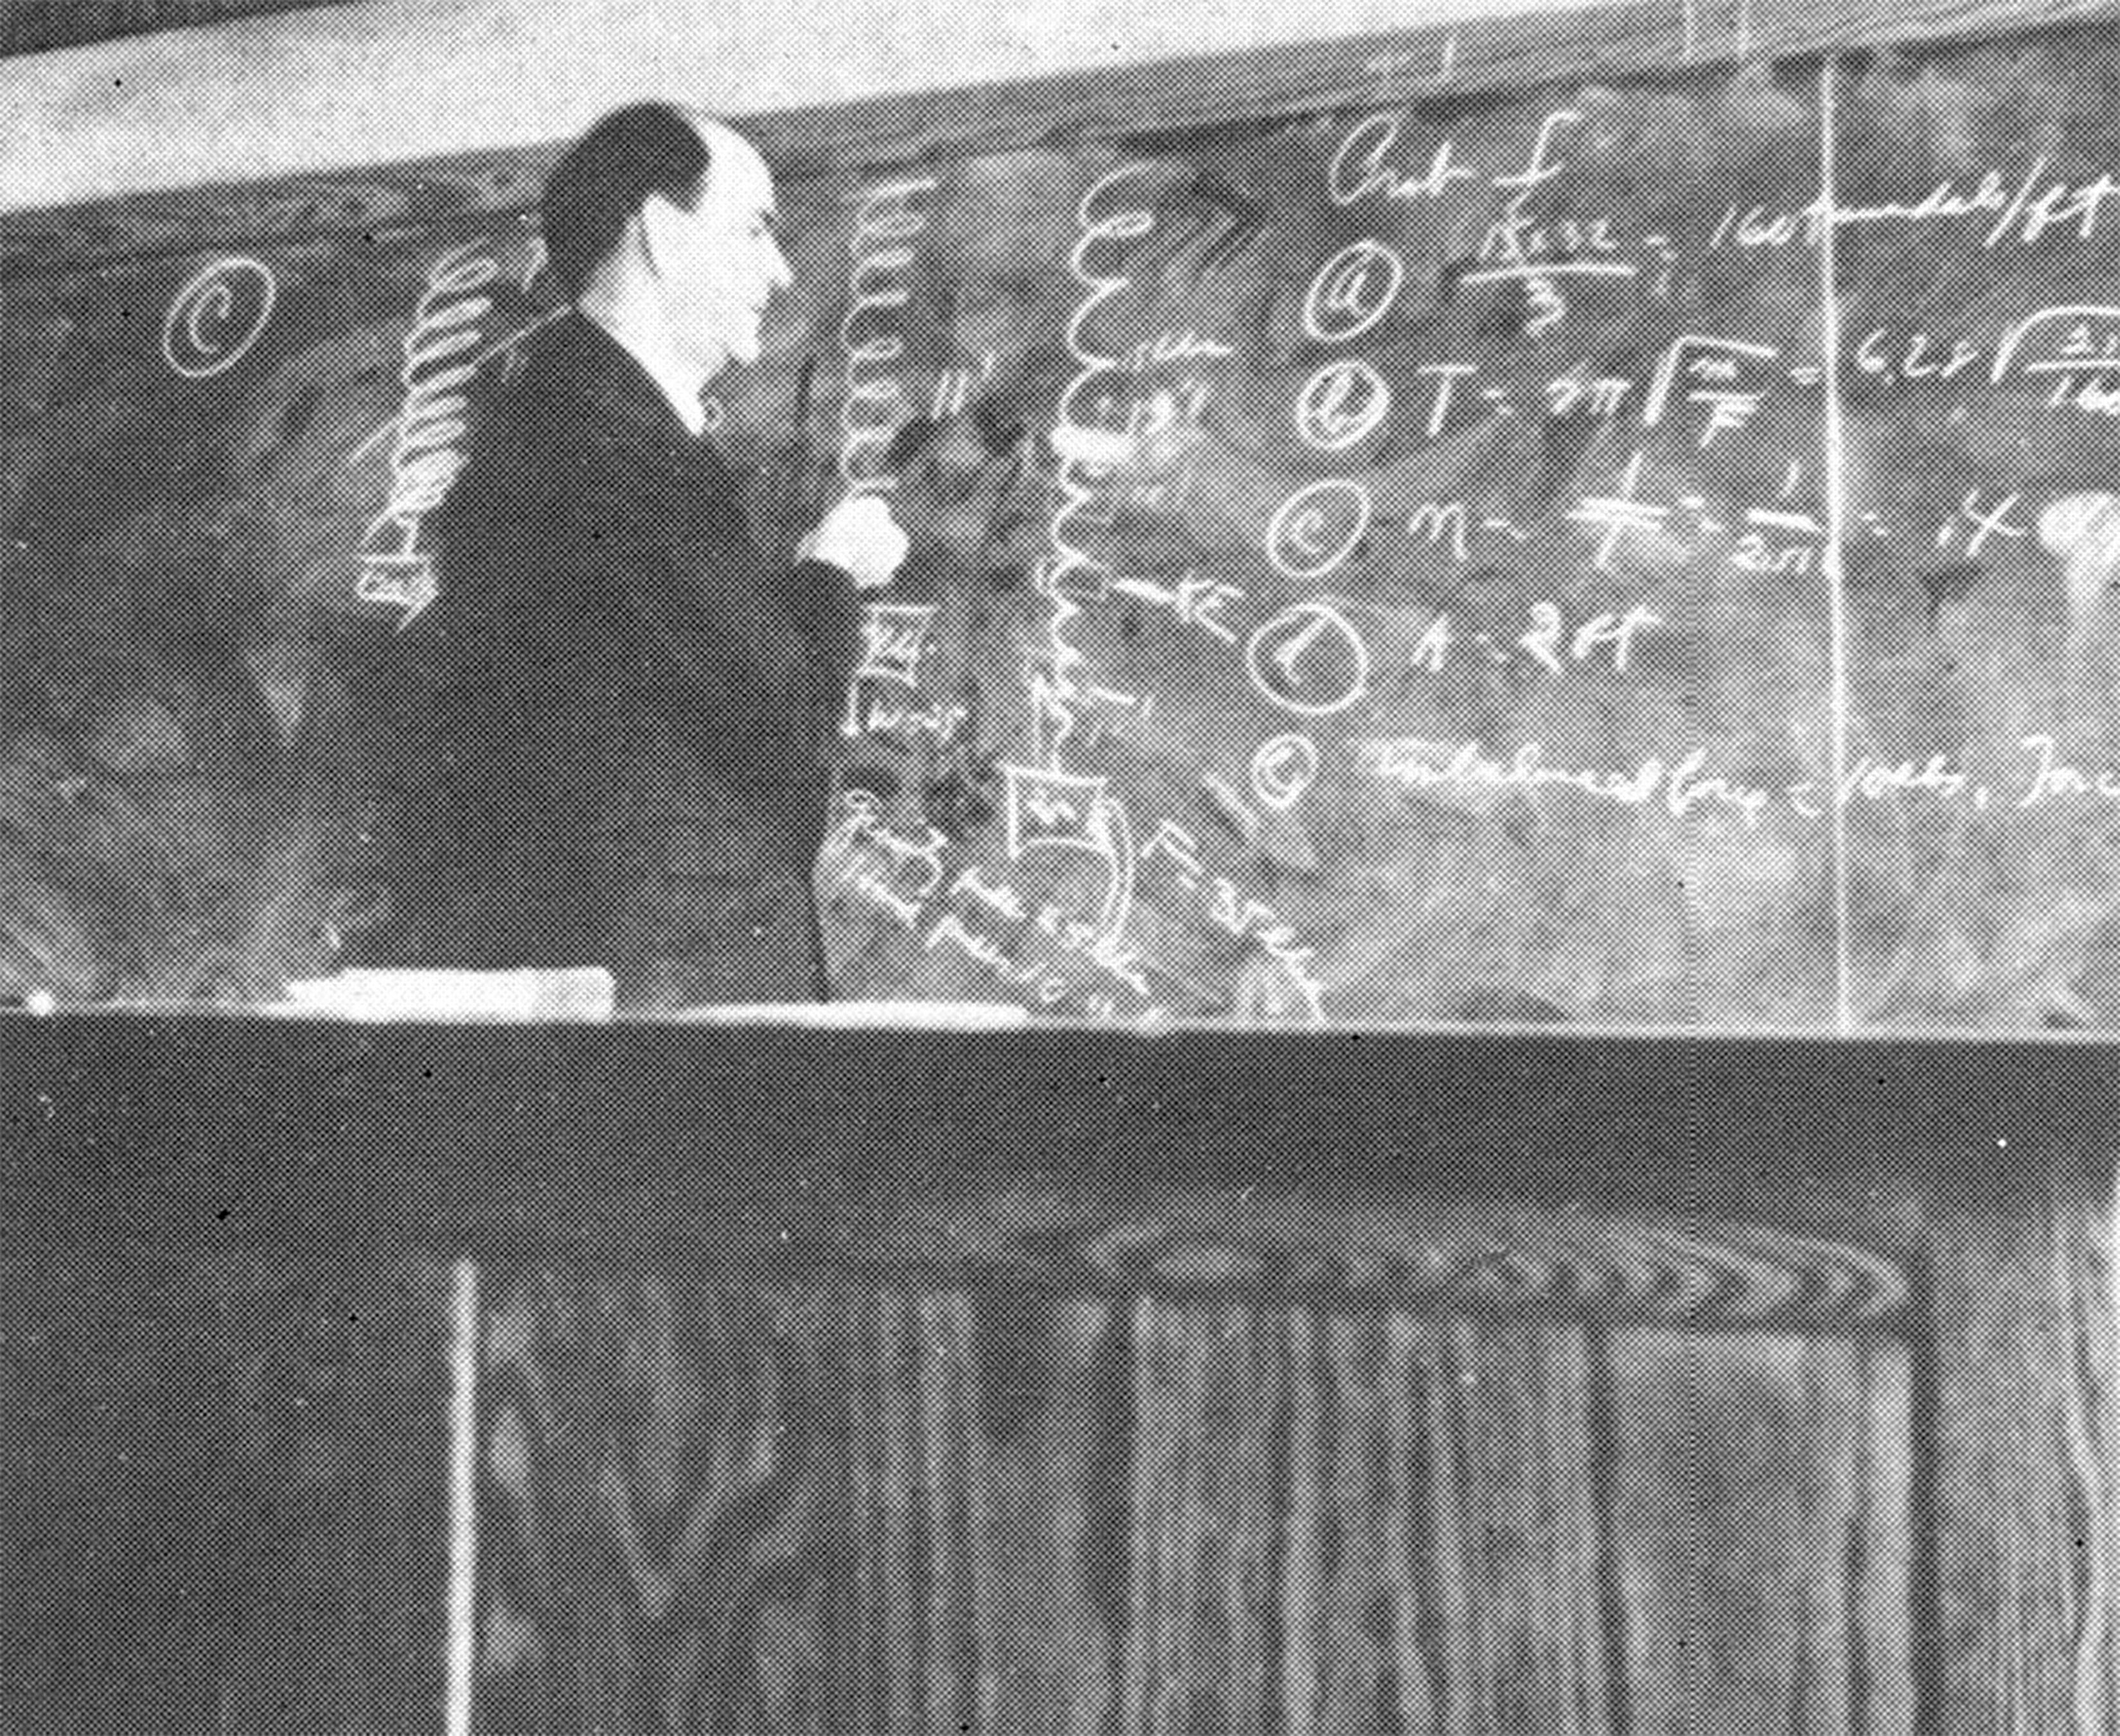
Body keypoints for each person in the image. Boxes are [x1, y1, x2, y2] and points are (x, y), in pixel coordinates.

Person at [370, 104, 908, 1008]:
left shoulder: (543, 434)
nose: (778, 274)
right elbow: (786, 729)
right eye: (753, 231)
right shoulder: (623, 453)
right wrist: (833, 572)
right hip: (675, 1004)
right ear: (660, 230)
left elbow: (652, 698)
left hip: (602, 993)